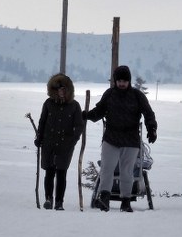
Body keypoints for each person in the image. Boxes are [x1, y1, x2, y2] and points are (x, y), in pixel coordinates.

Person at [83, 65, 157, 213]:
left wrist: (152, 129)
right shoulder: (109, 94)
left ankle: (125, 201)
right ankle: (104, 198)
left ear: (129, 81)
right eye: (119, 81)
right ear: (115, 81)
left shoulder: (137, 96)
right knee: (106, 169)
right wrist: (87, 115)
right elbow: (99, 111)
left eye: (125, 81)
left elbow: (148, 113)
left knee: (127, 171)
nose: (122, 83)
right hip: (111, 138)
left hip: (131, 140)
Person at [35, 73, 84, 210]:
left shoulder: (74, 106)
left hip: (65, 145)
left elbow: (79, 125)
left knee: (61, 173)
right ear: (53, 90)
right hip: (49, 143)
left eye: (63, 89)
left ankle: (59, 202)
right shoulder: (48, 104)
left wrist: (72, 141)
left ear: (68, 90)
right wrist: (39, 138)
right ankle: (48, 199)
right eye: (58, 89)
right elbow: (42, 122)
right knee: (49, 172)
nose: (61, 92)